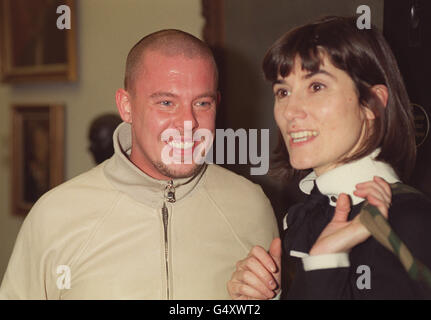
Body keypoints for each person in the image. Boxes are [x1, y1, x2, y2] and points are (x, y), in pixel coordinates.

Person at [0, 30, 280, 299]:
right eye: (167, 102)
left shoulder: (250, 206)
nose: (188, 123)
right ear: (126, 106)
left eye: (202, 103)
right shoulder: (54, 216)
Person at [228, 16, 431, 299]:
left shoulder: (411, 220)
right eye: (283, 91)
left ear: (372, 103)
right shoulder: (302, 216)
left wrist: (325, 260)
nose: (290, 112)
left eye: (316, 87)